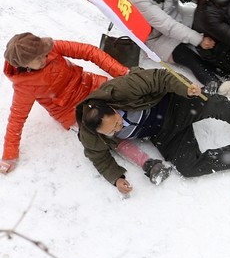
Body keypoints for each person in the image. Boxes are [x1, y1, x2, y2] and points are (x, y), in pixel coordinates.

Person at [77, 68, 230, 195]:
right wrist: (117, 179)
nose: (118, 128)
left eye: (117, 122)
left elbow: (161, 77)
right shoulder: (90, 135)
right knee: (188, 167)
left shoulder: (120, 90)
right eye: (112, 131)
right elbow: (98, 158)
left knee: (215, 105)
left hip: (173, 105)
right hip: (163, 133)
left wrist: (184, 88)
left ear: (113, 109)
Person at [1, 33, 169, 183]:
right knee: (105, 132)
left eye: (43, 53)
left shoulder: (50, 48)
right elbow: (17, 118)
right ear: (25, 65)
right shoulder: (24, 86)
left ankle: (161, 107)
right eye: (38, 58)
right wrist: (9, 154)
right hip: (71, 111)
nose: (44, 57)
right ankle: (147, 163)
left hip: (91, 85)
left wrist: (122, 72)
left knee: (125, 95)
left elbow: (89, 51)